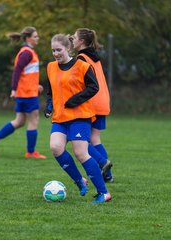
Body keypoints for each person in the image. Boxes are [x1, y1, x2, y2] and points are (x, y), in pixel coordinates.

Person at [44, 33, 112, 203]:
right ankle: (79, 181)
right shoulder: (51, 67)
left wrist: (75, 100)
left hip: (80, 117)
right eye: (53, 50)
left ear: (68, 48)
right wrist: (49, 106)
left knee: (81, 153)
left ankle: (103, 192)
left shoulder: (82, 66)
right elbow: (51, 91)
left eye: (59, 50)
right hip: (60, 118)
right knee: (55, 148)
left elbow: (93, 87)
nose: (56, 54)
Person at [0, 26, 46, 159]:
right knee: (34, 120)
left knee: (19, 121)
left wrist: (35, 85)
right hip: (27, 93)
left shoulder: (28, 52)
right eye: (36, 36)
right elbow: (17, 71)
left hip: (25, 91)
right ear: (28, 38)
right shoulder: (27, 53)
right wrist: (14, 89)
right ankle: (30, 152)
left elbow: (26, 73)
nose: (38, 39)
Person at [70, 28, 114, 182]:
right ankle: (107, 175)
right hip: (102, 100)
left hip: (92, 103)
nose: (72, 39)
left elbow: (80, 84)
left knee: (80, 139)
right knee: (95, 139)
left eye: (74, 37)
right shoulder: (94, 56)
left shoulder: (81, 58)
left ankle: (103, 164)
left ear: (81, 41)